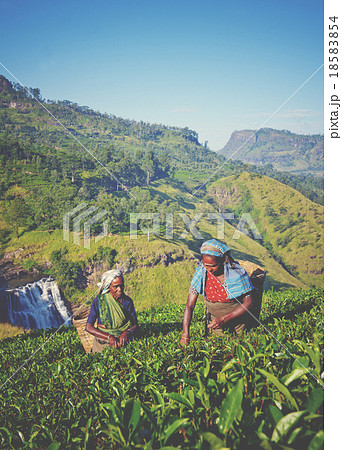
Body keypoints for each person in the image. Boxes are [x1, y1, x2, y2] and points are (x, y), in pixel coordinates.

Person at [180, 239, 254, 345]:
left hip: (238, 321)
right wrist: (185, 334)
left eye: (213, 266)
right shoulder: (201, 273)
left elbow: (249, 302)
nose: (209, 269)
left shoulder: (236, 273)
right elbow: (189, 305)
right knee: (218, 347)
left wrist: (224, 319)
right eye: (206, 265)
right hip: (215, 321)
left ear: (222, 261)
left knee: (239, 347)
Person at [85, 269, 138, 353]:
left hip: (123, 341)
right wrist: (109, 337)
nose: (120, 289)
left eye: (122, 285)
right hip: (103, 342)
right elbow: (88, 327)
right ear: (108, 287)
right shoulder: (100, 301)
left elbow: (135, 325)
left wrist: (126, 333)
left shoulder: (127, 301)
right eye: (115, 286)